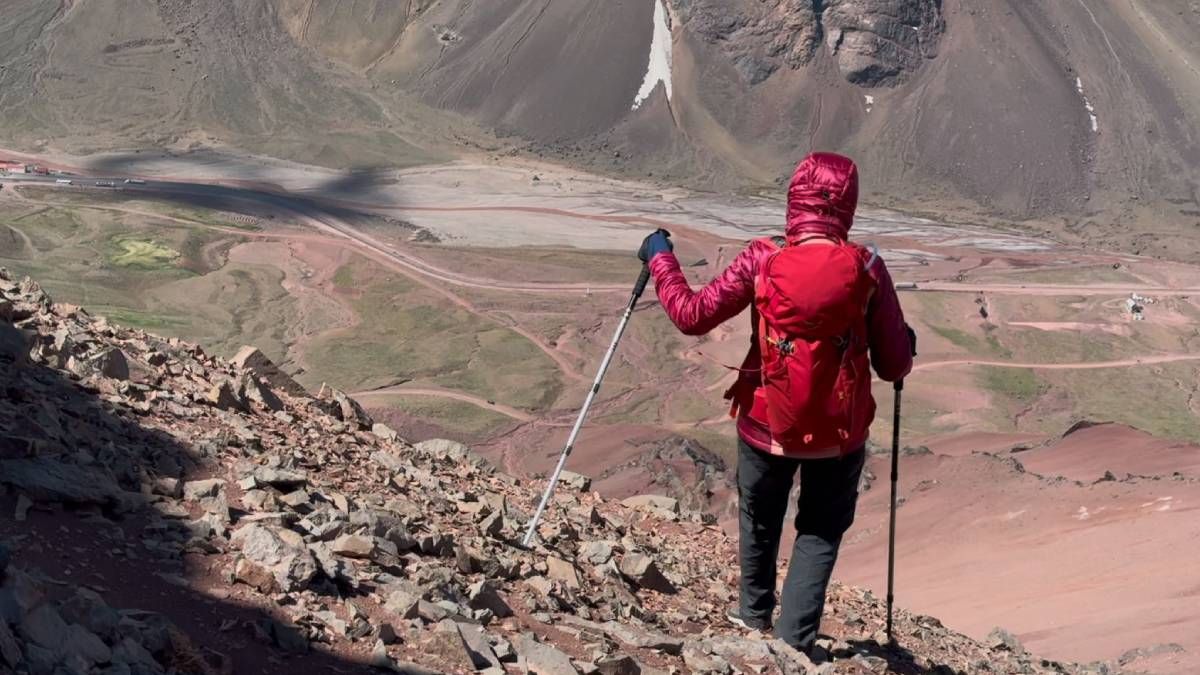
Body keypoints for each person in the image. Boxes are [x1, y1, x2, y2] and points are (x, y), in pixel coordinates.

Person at [637, 152, 914, 655]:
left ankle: (752, 619)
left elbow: (692, 314)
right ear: (847, 205)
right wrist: (902, 341)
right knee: (821, 530)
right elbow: (893, 366)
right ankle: (794, 642)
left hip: (766, 425)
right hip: (839, 434)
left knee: (761, 518)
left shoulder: (762, 259)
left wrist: (660, 256)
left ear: (794, 200)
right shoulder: (869, 268)